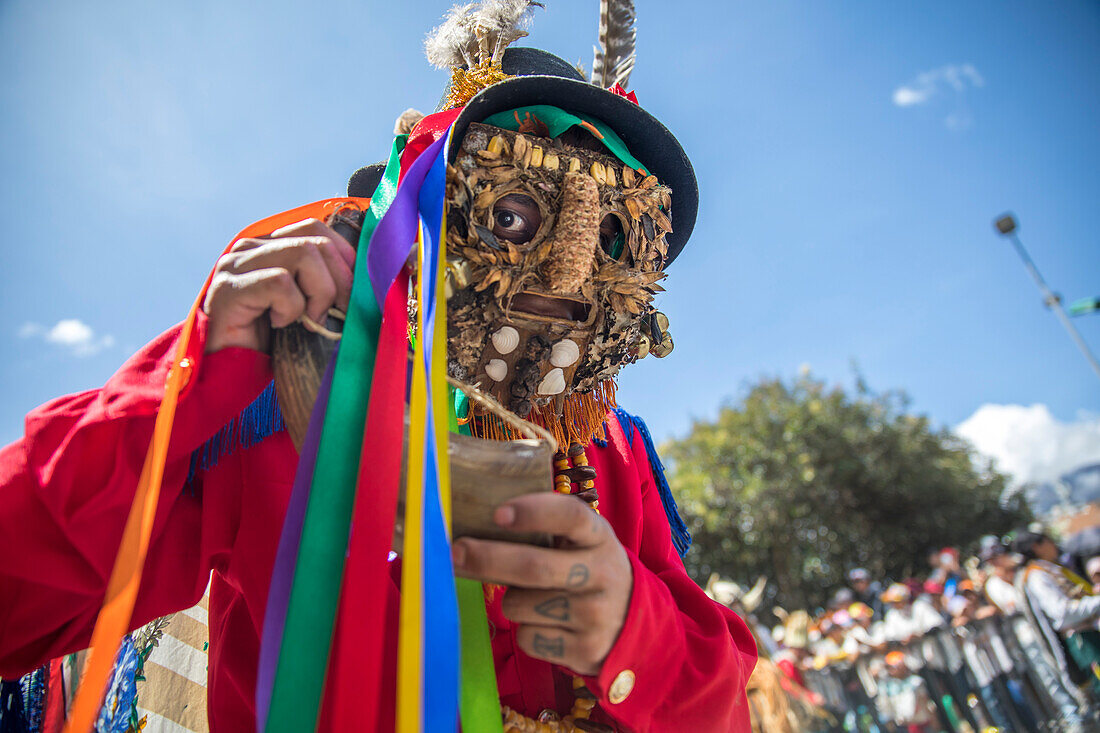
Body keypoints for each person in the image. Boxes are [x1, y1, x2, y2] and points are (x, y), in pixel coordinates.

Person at [0, 4, 757, 732]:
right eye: (512, 215)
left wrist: (636, 632)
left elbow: (725, 710)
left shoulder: (615, 452)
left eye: (609, 242)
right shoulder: (288, 401)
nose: (563, 275)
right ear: (420, 212)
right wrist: (184, 385)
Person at [1012, 529, 1100, 727]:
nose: (1054, 545)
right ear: (1037, 546)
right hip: (1082, 639)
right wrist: (1095, 603)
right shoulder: (1036, 576)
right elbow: (1061, 612)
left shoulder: (1049, 569)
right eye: (1049, 541)